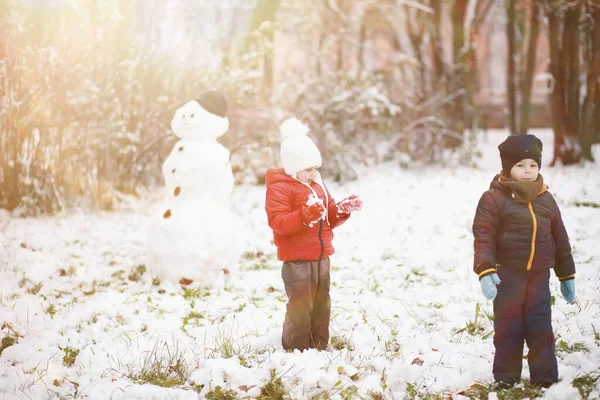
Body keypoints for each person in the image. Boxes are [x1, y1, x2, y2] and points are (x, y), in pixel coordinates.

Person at [472, 134, 576, 388]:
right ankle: (506, 377)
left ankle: (544, 376)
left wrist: (566, 275)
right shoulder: (494, 198)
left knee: (541, 328)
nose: (528, 171)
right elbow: (483, 235)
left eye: (533, 165)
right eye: (520, 166)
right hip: (507, 277)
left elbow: (559, 238)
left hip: (539, 278)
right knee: (508, 328)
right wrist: (485, 270)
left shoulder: (545, 198)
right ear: (508, 167)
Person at [264, 117, 363, 351]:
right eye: (308, 169)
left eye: (315, 168)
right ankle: (295, 348)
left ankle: (318, 346)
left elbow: (327, 217)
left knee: (321, 304)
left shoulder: (317, 185)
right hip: (297, 259)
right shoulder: (280, 189)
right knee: (300, 306)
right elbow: (278, 223)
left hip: (322, 256)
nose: (313, 173)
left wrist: (341, 210)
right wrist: (304, 215)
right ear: (292, 167)